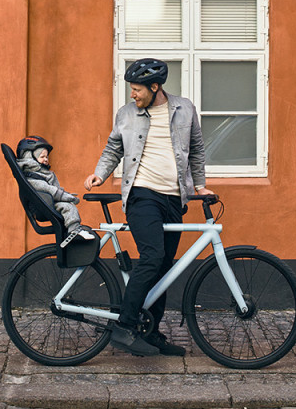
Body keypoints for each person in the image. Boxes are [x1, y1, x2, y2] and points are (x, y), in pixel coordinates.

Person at [84, 58, 214, 358]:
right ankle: (125, 327)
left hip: (174, 198)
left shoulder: (184, 109)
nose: (133, 95)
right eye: (132, 89)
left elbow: (196, 149)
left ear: (155, 88)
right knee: (152, 257)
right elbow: (114, 148)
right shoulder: (127, 114)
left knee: (163, 268)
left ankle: (150, 331)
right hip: (142, 195)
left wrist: (200, 185)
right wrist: (100, 173)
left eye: (137, 89)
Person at [16, 136, 96, 242]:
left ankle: (73, 230)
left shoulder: (42, 173)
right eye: (42, 156)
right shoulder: (32, 177)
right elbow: (49, 190)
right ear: (29, 158)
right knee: (68, 207)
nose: (46, 159)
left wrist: (64, 194)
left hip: (48, 203)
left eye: (47, 157)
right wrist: (67, 197)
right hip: (43, 206)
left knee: (68, 206)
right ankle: (74, 231)